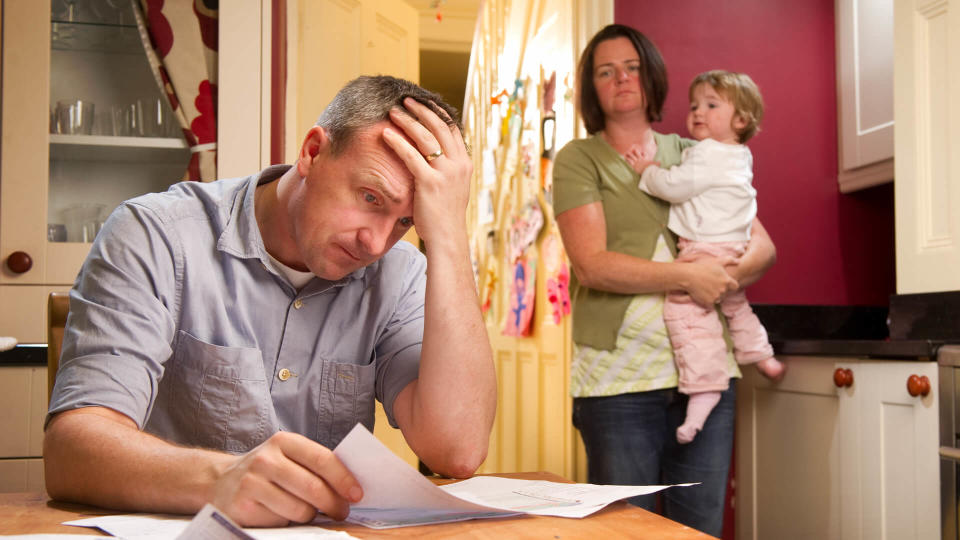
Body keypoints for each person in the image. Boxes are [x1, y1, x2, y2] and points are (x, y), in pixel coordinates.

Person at [43, 75, 497, 528]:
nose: (375, 242)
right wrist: (219, 479)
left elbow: (456, 451)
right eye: (370, 197)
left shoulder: (399, 274)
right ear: (312, 152)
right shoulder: (156, 236)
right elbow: (71, 451)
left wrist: (449, 236)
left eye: (405, 222)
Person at [552, 25, 776, 536]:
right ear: (592, 88)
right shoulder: (579, 159)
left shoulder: (697, 149)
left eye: (631, 67)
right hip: (618, 382)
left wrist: (720, 277)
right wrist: (687, 275)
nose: (622, 79)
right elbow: (592, 264)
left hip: (706, 373)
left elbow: (761, 245)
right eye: (606, 72)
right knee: (628, 531)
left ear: (651, 76)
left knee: (699, 529)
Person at [625, 70, 785, 445]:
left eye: (712, 105)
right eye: (695, 105)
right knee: (735, 305)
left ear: (741, 120)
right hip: (733, 246)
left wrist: (646, 170)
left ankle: (704, 388)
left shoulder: (708, 154)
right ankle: (760, 353)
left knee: (685, 312)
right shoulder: (738, 156)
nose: (698, 112)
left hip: (705, 250)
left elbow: (675, 186)